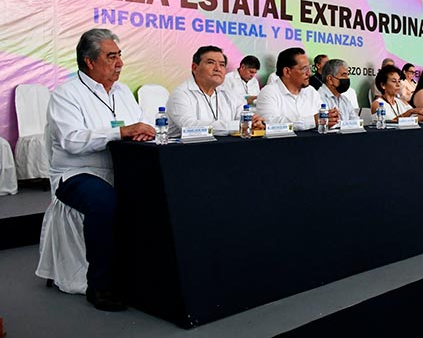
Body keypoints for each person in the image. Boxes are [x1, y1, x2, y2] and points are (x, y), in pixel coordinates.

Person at [43, 29, 156, 311]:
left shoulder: (123, 93)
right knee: (104, 203)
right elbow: (72, 140)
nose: (120, 63)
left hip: (122, 171)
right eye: (111, 56)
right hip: (77, 174)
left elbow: (137, 124)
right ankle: (100, 286)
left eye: (120, 56)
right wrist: (121, 133)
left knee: (158, 195)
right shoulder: (66, 94)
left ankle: (148, 277)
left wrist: (141, 133)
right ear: (89, 61)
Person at [167, 46, 264, 137]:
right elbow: (190, 127)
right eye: (210, 63)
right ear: (195, 67)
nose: (217, 68)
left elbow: (243, 117)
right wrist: (240, 125)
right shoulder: (180, 94)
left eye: (222, 65)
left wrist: (254, 122)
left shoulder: (229, 94)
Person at [256, 47, 340, 130]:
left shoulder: (311, 91)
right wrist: (313, 120)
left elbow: (323, 118)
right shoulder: (268, 93)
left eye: (309, 68)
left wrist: (331, 119)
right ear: (287, 72)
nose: (309, 73)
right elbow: (270, 124)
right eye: (304, 69)